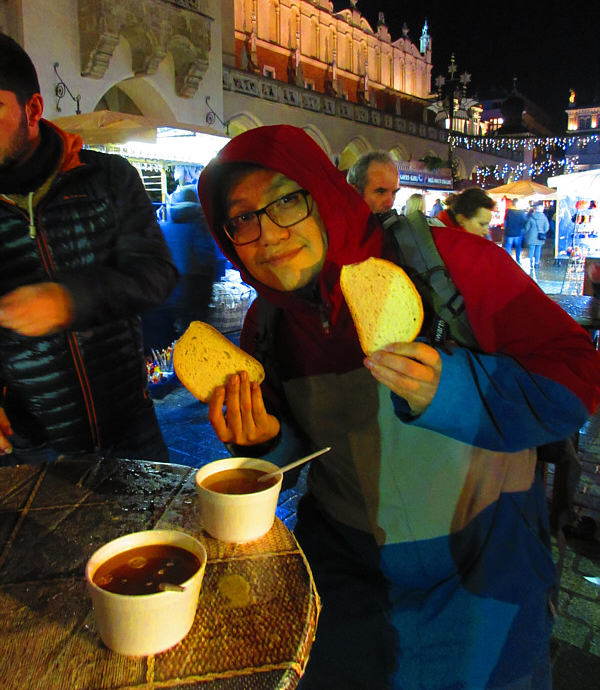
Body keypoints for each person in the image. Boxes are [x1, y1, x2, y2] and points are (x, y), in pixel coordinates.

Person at [197, 125, 600, 690]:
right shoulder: (268, 323)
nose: (268, 233)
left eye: (286, 201)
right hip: (345, 596)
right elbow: (305, 454)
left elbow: (579, 378)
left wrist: (453, 389)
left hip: (484, 586)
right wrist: (265, 443)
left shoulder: (454, 264)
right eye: (242, 219)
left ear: (323, 191)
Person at [0, 34, 178, 462]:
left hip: (130, 427)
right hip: (34, 447)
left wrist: (69, 300)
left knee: (163, 529)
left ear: (33, 110)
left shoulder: (108, 177)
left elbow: (158, 274)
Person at [142, 184, 216, 352]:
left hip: (160, 300)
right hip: (189, 300)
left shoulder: (163, 228)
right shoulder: (201, 229)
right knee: (190, 350)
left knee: (161, 352)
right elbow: (207, 269)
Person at [524, 201, 550, 279]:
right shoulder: (544, 218)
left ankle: (531, 262)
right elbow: (547, 227)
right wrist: (542, 232)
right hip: (540, 236)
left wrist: (527, 232)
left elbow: (527, 227)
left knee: (531, 249)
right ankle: (537, 262)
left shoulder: (532, 217)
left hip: (532, 235)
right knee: (538, 249)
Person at [503, 197, 527, 264]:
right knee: (518, 246)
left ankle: (507, 260)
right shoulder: (521, 212)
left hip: (510, 232)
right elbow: (524, 220)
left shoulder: (508, 211)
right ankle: (518, 260)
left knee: (508, 246)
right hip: (518, 232)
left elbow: (505, 222)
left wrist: (505, 229)